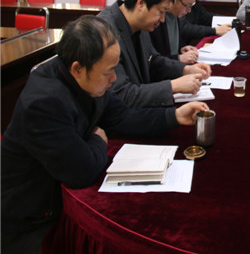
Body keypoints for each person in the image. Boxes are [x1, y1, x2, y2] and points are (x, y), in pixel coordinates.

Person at [1, 16, 209, 254]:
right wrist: (97, 139)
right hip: (31, 223)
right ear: (78, 69)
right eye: (109, 71)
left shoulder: (86, 76)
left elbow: (122, 116)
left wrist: (174, 116)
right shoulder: (43, 103)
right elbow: (82, 171)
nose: (114, 79)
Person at [98, 0, 211, 108]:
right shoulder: (104, 32)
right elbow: (123, 94)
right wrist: (172, 86)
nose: (162, 20)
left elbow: (153, 61)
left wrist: (185, 69)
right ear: (141, 3)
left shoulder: (141, 23)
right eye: (161, 11)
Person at [150, 0, 200, 64]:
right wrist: (178, 58)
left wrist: (183, 48)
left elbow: (174, 43)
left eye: (191, 6)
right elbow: (153, 60)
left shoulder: (176, 15)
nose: (189, 10)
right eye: (187, 5)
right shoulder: (156, 20)